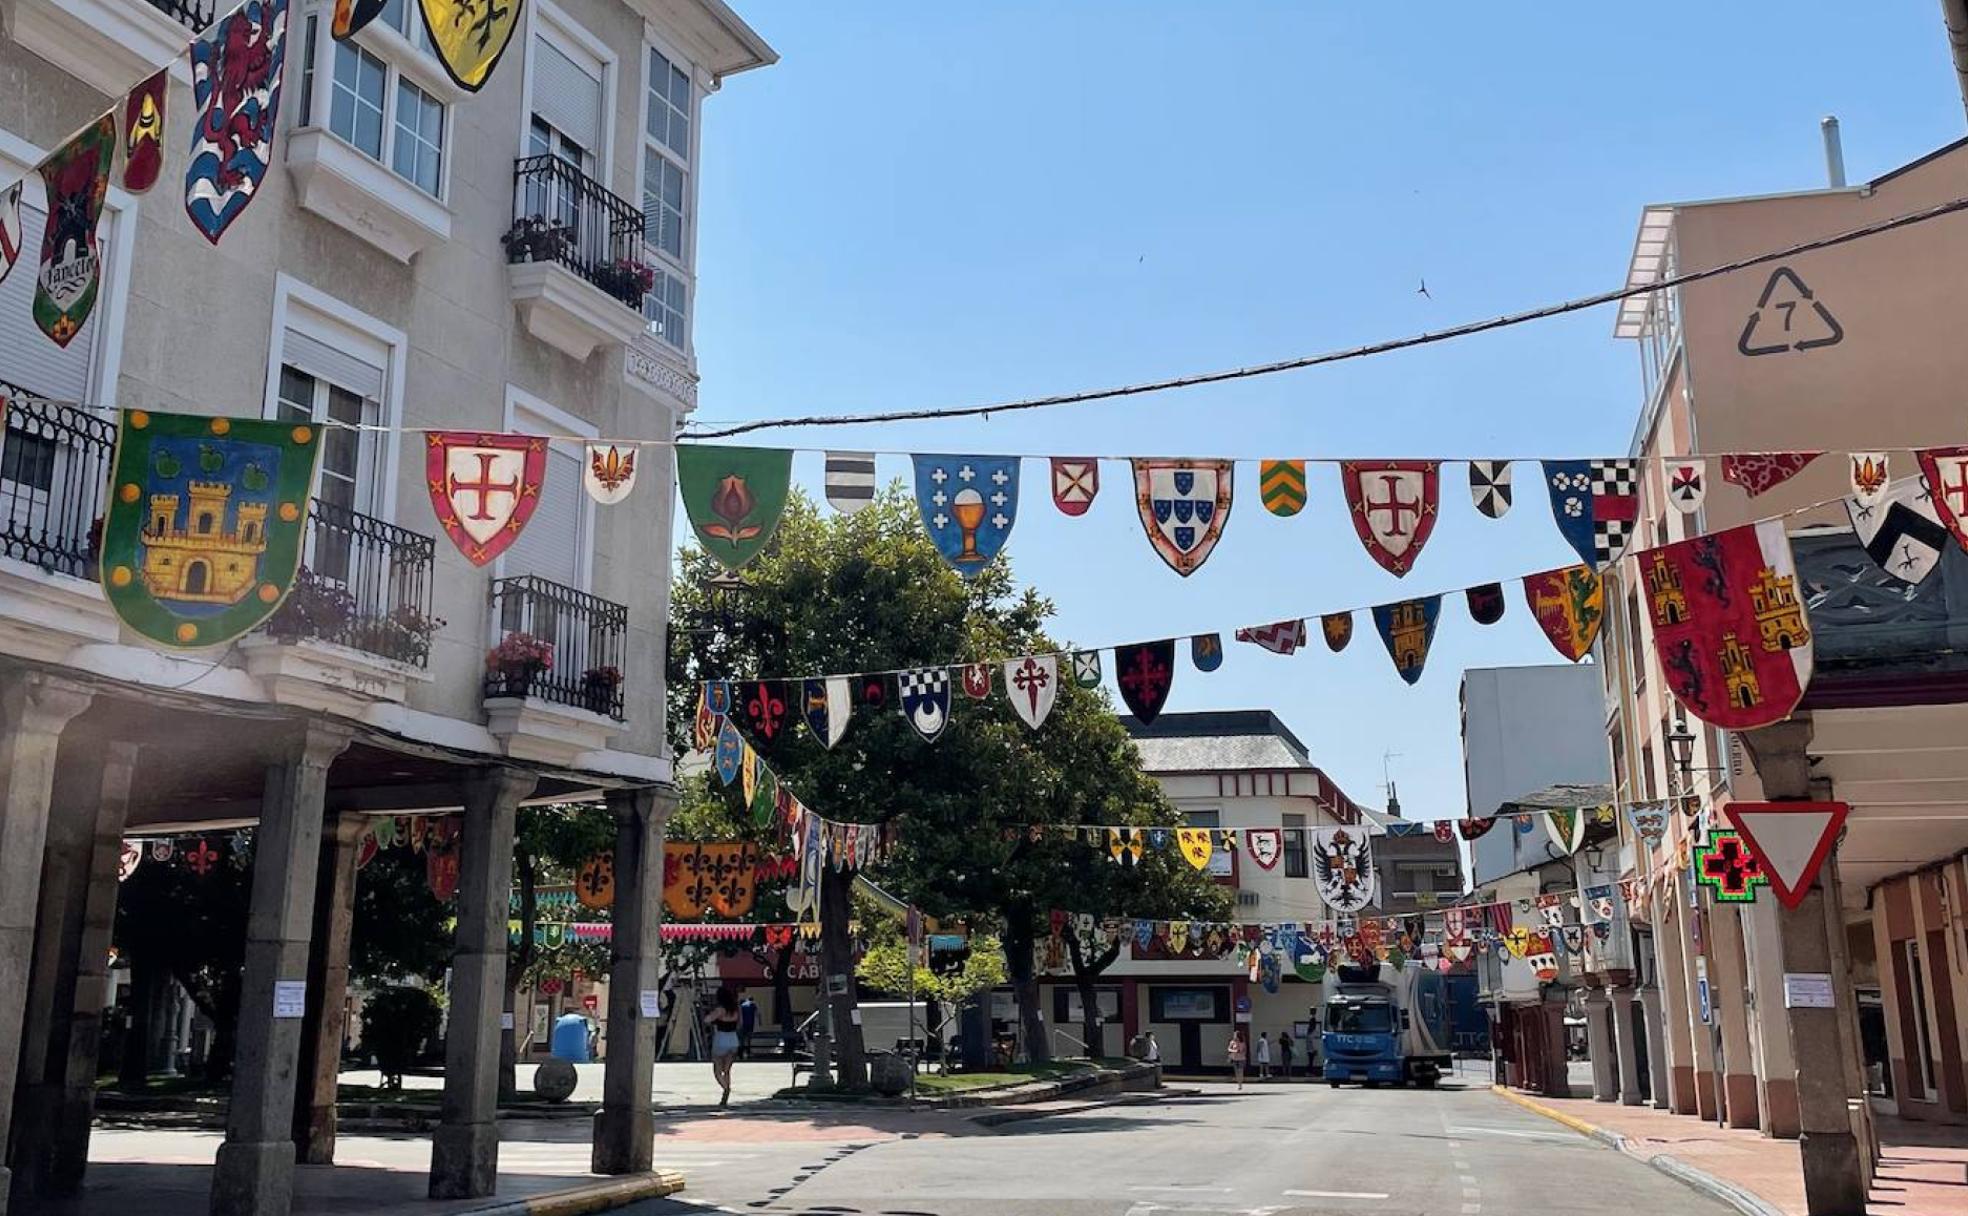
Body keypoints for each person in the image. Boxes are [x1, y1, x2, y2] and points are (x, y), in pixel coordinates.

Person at [705, 986, 743, 1106]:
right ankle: (727, 1089)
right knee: (727, 1070)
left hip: (721, 1038)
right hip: (733, 1039)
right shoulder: (736, 1009)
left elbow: (707, 1020)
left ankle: (726, 1089)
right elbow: (740, 1024)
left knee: (717, 1070)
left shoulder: (720, 1010)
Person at [737, 993, 758, 1061]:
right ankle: (748, 1052)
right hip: (749, 1024)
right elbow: (757, 1013)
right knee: (748, 1039)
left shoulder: (742, 1006)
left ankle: (741, 1054)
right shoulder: (753, 1005)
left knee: (741, 1040)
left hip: (741, 1025)